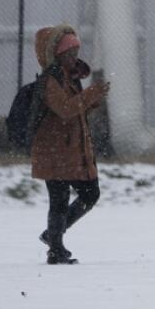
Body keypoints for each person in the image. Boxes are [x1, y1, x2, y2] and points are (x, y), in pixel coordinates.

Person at [30, 24, 110, 265]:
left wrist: (92, 100)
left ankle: (54, 237)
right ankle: (55, 248)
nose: (74, 57)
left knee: (89, 193)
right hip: (54, 150)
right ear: (56, 54)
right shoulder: (50, 81)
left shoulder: (68, 78)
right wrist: (90, 96)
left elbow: (75, 108)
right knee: (60, 199)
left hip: (69, 151)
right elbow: (65, 109)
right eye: (69, 53)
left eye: (76, 52)